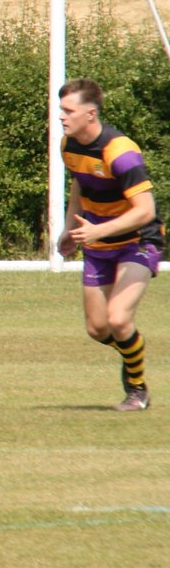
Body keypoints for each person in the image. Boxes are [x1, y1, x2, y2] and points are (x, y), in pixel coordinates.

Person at [57, 77, 163, 412]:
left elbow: (145, 210)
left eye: (68, 110)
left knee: (118, 320)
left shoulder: (121, 152)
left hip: (138, 240)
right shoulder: (69, 145)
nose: (61, 116)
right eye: (61, 109)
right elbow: (80, 184)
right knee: (98, 328)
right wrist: (68, 228)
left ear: (90, 114)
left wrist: (98, 233)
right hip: (98, 241)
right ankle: (133, 353)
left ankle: (138, 389)